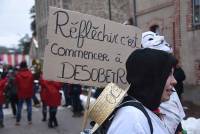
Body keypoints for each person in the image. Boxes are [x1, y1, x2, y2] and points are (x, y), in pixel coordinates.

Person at [107, 48, 177, 134]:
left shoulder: (140, 113)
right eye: (168, 74)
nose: (174, 81)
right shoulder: (132, 118)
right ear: (150, 78)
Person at [141, 31, 185, 134]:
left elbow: (176, 119)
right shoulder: (134, 108)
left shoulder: (169, 90)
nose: (174, 81)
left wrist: (180, 131)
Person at [15, 61, 34, 125]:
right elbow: (32, 83)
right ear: (26, 66)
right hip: (29, 92)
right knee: (29, 106)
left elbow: (16, 84)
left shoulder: (18, 74)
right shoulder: (30, 74)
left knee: (19, 106)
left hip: (21, 92)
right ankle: (29, 120)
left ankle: (17, 121)